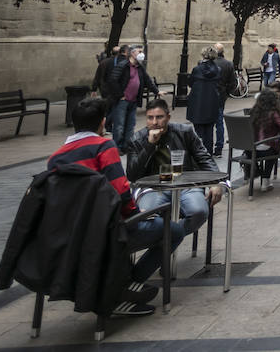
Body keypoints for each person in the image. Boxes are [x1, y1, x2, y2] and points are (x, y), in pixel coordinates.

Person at [43, 96, 186, 314]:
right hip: (104, 234)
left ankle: (122, 285)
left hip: (70, 236)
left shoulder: (55, 158)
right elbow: (121, 195)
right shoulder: (103, 147)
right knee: (174, 230)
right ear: (102, 123)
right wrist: (137, 213)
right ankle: (125, 287)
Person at [122, 99, 224, 240]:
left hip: (185, 185)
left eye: (159, 117)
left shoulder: (184, 132)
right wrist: (150, 145)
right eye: (150, 118)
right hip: (152, 188)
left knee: (199, 211)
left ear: (168, 117)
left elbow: (204, 158)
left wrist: (216, 182)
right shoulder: (137, 139)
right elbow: (132, 175)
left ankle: (169, 239)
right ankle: (168, 240)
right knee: (146, 217)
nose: (154, 122)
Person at [96, 45, 156, 146]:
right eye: (139, 51)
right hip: (122, 100)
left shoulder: (139, 67)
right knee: (119, 125)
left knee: (130, 125)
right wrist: (120, 95)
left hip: (133, 100)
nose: (142, 54)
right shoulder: (123, 65)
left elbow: (147, 80)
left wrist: (157, 91)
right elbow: (113, 80)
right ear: (132, 53)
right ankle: (117, 146)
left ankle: (127, 145)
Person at [186, 47, 225, 154]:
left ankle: (200, 153)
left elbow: (190, 83)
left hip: (198, 104)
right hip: (212, 103)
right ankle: (208, 152)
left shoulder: (197, 69)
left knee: (199, 131)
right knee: (209, 130)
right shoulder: (218, 70)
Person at [212, 43, 236, 156]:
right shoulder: (228, 64)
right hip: (221, 96)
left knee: (208, 123)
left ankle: (207, 146)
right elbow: (233, 83)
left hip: (208, 96)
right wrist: (226, 93)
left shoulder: (210, 63)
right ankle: (219, 147)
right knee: (219, 122)